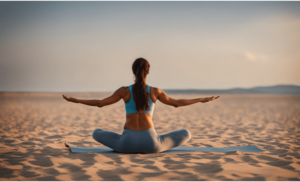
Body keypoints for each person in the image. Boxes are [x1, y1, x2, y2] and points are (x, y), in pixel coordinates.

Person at [62, 58, 220, 153]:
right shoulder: (155, 92)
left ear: (133, 71)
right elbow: (177, 104)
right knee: (186, 133)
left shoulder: (124, 91)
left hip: (126, 144)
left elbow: (100, 103)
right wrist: (200, 99)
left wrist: (77, 100)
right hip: (151, 144)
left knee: (97, 132)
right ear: (148, 71)